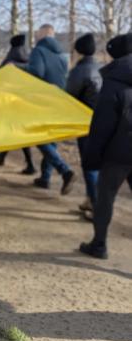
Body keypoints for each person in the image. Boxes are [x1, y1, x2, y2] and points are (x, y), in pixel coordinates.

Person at [80, 33, 132, 259]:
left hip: (118, 153)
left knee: (105, 198)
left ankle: (99, 245)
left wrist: (92, 157)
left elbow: (102, 124)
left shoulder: (114, 80)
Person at [27, 24, 75, 194]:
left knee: (39, 138)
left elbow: (36, 73)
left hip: (42, 100)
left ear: (41, 35)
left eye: (37, 34)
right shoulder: (63, 55)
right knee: (51, 139)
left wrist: (16, 68)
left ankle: (65, 170)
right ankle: (45, 178)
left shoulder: (38, 51)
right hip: (59, 100)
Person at [66, 33, 102, 219]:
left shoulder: (80, 71)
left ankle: (96, 206)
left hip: (86, 124)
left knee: (90, 165)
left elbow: (68, 97)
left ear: (78, 51)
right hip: (103, 123)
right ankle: (90, 199)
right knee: (96, 164)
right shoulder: (99, 67)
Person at [0, 34, 36, 174]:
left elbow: (0, 80)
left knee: (10, 130)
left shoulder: (9, 62)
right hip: (25, 102)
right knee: (19, 132)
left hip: (10, 102)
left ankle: (28, 163)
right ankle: (25, 162)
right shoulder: (30, 62)